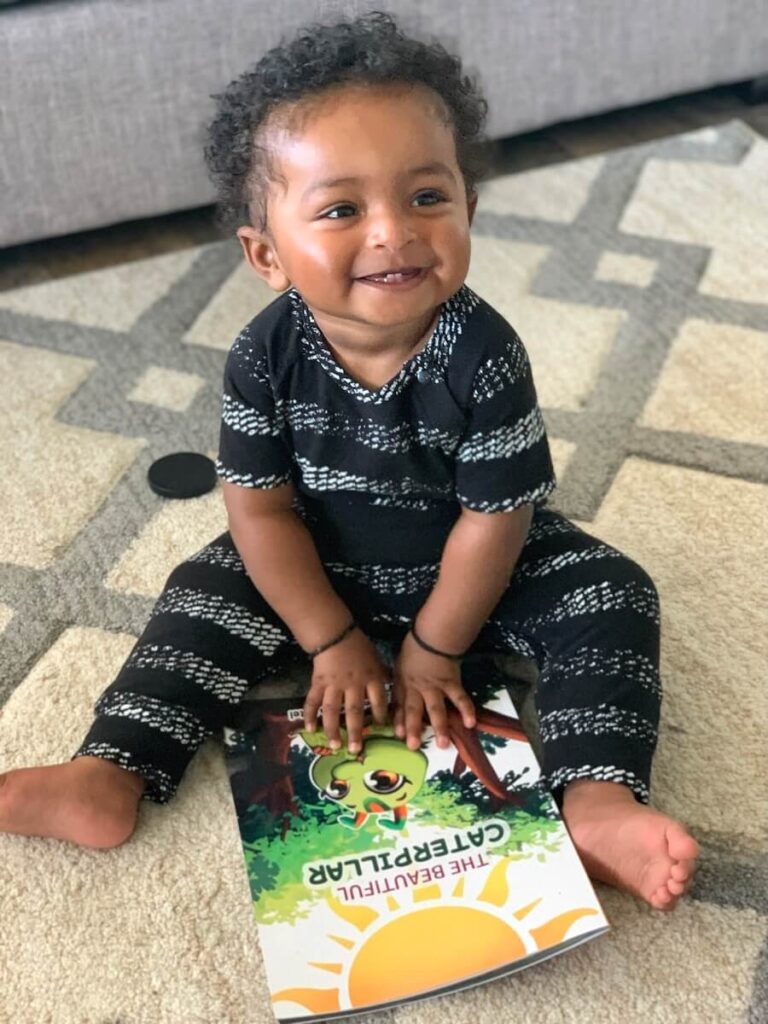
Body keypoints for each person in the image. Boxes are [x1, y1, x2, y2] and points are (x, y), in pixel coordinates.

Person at [0, 10, 699, 910]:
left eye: (427, 198)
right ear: (266, 254)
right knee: (200, 592)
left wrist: (434, 650)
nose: (392, 233)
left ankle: (597, 802)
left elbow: (498, 517)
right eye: (340, 209)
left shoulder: (485, 353)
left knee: (613, 591)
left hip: (476, 567)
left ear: (469, 208)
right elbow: (260, 511)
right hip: (313, 567)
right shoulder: (263, 356)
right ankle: (112, 772)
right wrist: (329, 641)